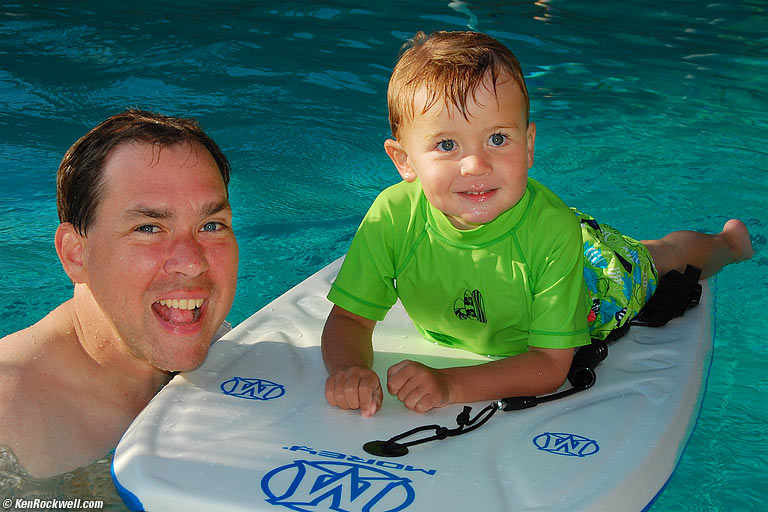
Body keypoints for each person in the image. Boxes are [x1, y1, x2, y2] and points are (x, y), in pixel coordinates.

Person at [321, 31, 753, 417]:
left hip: (595, 282)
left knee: (657, 259)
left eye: (497, 139)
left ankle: (728, 243)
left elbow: (549, 366)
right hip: (540, 248)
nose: (475, 165)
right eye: (447, 144)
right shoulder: (393, 216)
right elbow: (350, 320)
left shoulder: (551, 233)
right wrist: (350, 369)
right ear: (404, 161)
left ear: (528, 146)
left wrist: (449, 384)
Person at [0, 110, 239, 477]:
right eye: (148, 228)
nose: (192, 263)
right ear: (76, 254)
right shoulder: (10, 422)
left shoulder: (227, 345)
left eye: (211, 225)